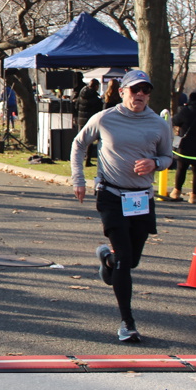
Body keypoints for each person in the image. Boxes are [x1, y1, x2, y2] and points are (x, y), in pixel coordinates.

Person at [70, 69, 172, 343]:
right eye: (135, 89)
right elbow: (79, 144)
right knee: (125, 259)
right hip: (111, 194)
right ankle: (128, 323)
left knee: (131, 260)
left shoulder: (158, 124)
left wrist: (155, 163)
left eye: (145, 90)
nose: (140, 95)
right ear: (122, 91)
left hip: (141, 198)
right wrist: (78, 179)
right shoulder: (105, 118)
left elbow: (168, 157)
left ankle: (108, 259)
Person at [75, 78, 103, 167]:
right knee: (90, 141)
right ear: (96, 86)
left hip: (81, 119)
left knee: (81, 140)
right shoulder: (95, 97)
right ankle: (88, 159)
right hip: (90, 120)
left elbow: (76, 106)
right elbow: (99, 109)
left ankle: (78, 158)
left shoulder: (82, 94)